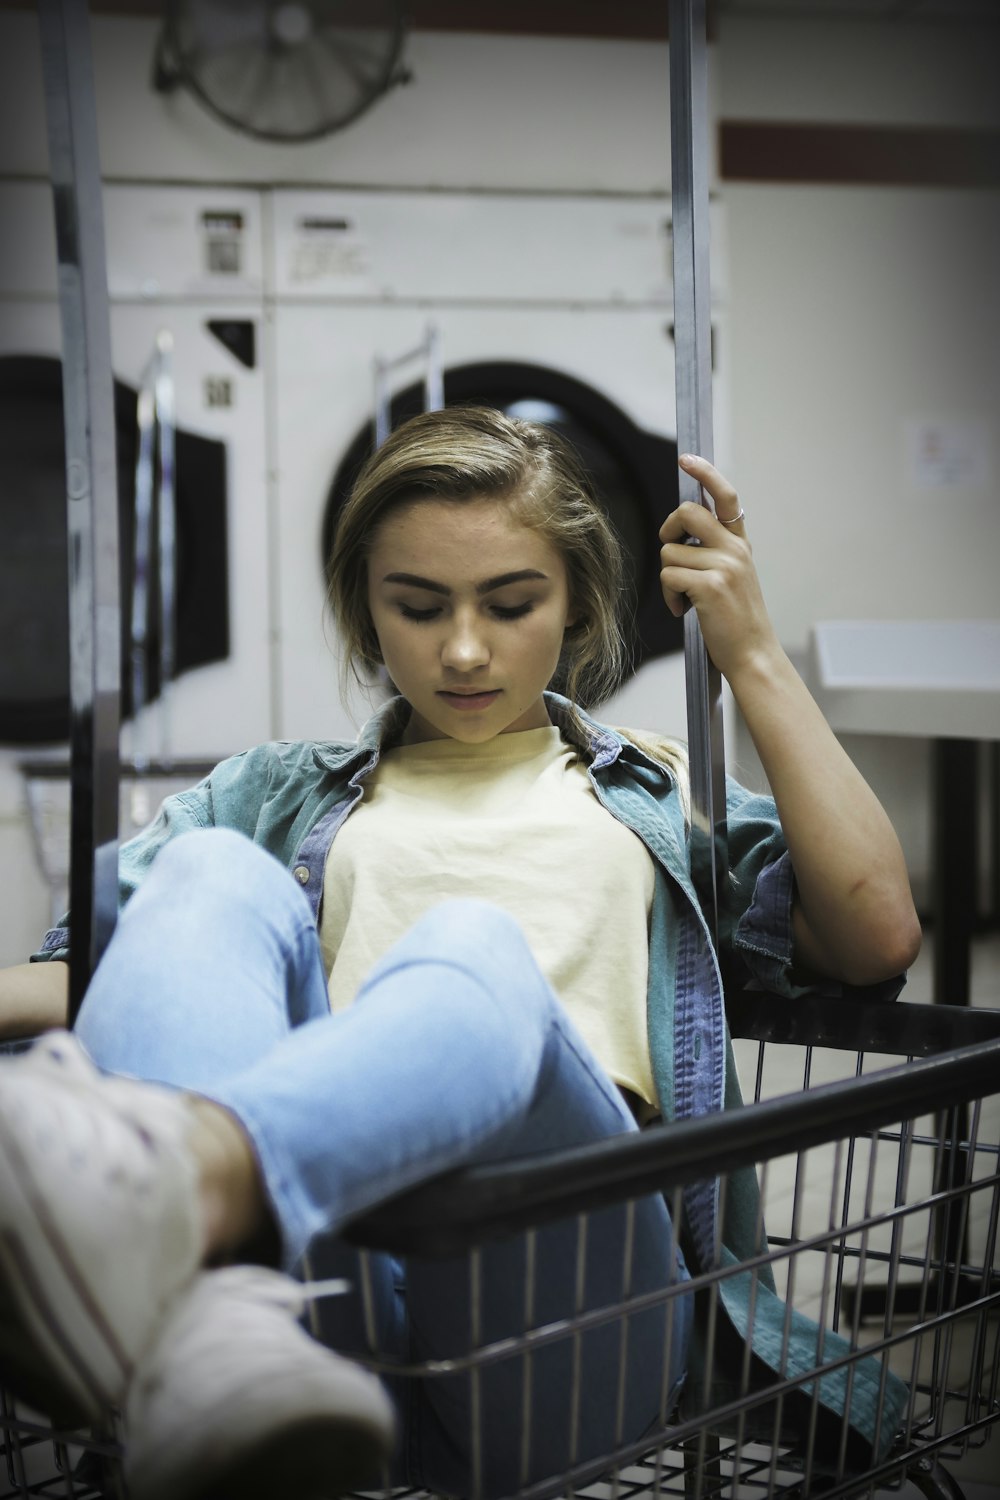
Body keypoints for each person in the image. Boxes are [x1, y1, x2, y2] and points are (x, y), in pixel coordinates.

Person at [0, 407, 921, 1500]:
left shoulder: (658, 797)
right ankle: (211, 1325)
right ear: (365, 610)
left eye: (511, 602)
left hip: (568, 1310)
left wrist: (754, 652)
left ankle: (177, 1199)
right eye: (419, 607)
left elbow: (872, 933)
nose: (465, 647)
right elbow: (89, 975)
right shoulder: (270, 792)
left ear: (575, 600)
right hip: (321, 1303)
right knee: (204, 876)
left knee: (473, 944)